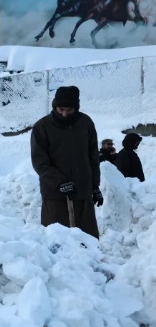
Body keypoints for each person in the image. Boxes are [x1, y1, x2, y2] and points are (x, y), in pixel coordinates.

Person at [31, 86, 103, 239]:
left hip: (82, 193)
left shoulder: (85, 123)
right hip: (54, 195)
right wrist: (59, 182)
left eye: (69, 110)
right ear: (54, 106)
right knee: (58, 243)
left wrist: (95, 186)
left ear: (76, 108)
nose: (64, 114)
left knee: (87, 241)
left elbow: (93, 158)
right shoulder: (42, 127)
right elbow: (40, 162)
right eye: (60, 109)